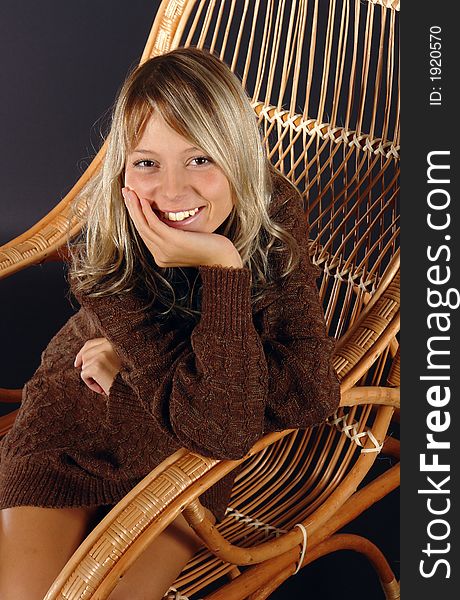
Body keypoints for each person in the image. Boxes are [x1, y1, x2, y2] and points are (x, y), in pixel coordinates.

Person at [0, 47, 340, 599]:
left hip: (177, 463)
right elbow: (232, 415)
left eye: (200, 158)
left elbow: (298, 399)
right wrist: (204, 382)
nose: (173, 191)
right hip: (74, 425)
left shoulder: (273, 213)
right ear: (124, 169)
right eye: (147, 162)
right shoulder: (108, 251)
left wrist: (222, 267)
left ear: (238, 157)